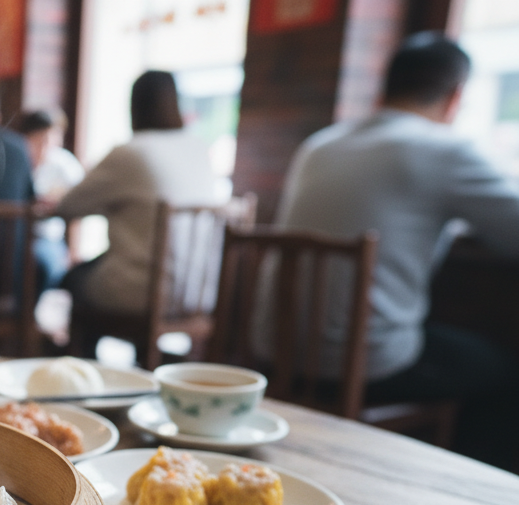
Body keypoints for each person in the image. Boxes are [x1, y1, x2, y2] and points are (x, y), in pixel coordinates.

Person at [273, 32, 519, 468]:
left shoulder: (320, 145)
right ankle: (465, 491)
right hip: (370, 367)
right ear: (456, 96)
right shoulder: (445, 148)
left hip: (277, 352)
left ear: (386, 84)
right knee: (502, 371)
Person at [54, 70, 221, 315]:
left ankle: (80, 352)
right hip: (201, 293)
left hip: (145, 293)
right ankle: (146, 352)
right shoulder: (200, 149)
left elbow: (66, 207)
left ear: (135, 106)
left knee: (73, 278)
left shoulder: (131, 152)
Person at [16, 108, 84, 289]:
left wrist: (73, 251)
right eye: (39, 140)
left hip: (47, 239)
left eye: (50, 139)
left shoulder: (64, 165)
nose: (45, 146)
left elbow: (80, 207)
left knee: (43, 266)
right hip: (16, 236)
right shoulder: (17, 162)